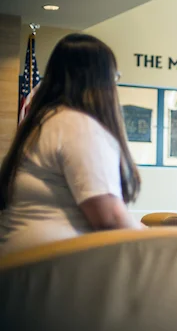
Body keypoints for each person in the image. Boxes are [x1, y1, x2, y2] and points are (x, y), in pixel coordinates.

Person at [0, 33, 143, 257]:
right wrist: (159, 240)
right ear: (98, 80)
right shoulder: (77, 124)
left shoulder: (46, 120)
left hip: (28, 262)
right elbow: (109, 218)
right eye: (114, 78)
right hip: (53, 266)